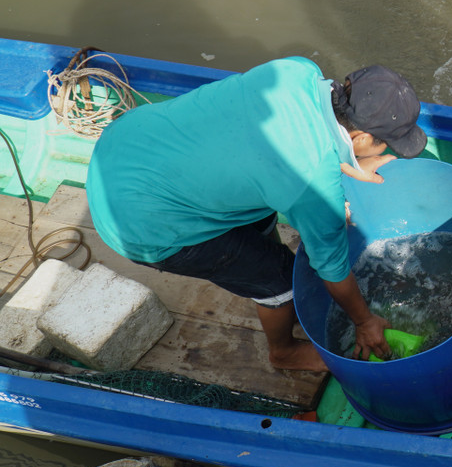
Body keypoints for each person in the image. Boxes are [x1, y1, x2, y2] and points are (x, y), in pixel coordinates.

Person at [85, 56, 427, 371]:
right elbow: (331, 267)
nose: (386, 149)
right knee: (280, 278)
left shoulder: (298, 70)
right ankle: (284, 352)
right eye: (386, 142)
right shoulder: (309, 182)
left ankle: (259, 264)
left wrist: (346, 163)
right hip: (140, 225)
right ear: (363, 136)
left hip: (123, 146)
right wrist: (365, 321)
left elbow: (285, 136)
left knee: (263, 208)